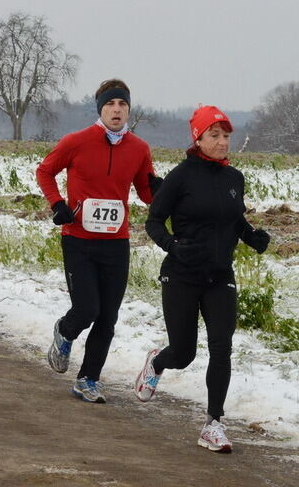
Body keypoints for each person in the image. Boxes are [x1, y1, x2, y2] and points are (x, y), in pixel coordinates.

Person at [134, 106, 271, 453]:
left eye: (226, 136)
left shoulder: (233, 179)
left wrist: (251, 235)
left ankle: (214, 424)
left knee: (221, 346)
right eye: (214, 135)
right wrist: (172, 245)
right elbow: (154, 221)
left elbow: (233, 218)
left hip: (219, 275)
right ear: (198, 138)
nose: (223, 142)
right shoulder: (181, 176)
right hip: (181, 274)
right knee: (184, 353)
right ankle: (158, 361)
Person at [38, 79, 161, 403]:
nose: (117, 110)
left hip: (116, 242)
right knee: (87, 308)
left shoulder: (139, 149)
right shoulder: (76, 141)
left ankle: (88, 380)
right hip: (78, 238)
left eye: (122, 105)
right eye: (110, 104)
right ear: (100, 109)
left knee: (108, 316)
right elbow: (45, 171)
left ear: (129, 110)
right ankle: (65, 331)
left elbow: (147, 193)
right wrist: (57, 203)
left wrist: (164, 192)